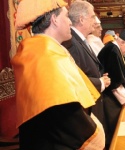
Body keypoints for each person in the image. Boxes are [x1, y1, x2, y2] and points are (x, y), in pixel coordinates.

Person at [12, 0, 105, 149]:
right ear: (54, 20)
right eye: (67, 16)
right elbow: (63, 112)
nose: (70, 22)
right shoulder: (45, 56)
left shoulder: (39, 49)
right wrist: (94, 132)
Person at [62, 0, 111, 147]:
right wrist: (100, 82)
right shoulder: (71, 42)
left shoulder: (81, 40)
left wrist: (100, 78)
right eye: (92, 17)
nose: (95, 21)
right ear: (82, 19)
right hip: (86, 108)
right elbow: (73, 78)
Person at [98, 29, 125, 148]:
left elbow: (122, 73)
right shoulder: (112, 51)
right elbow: (115, 81)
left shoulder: (115, 49)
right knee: (115, 128)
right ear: (122, 43)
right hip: (109, 98)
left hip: (114, 95)